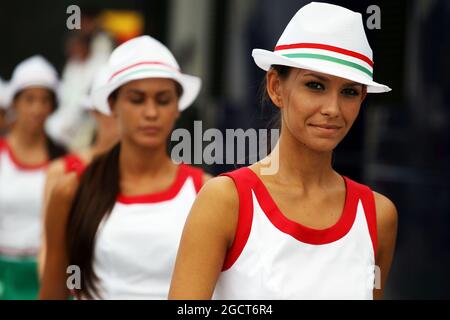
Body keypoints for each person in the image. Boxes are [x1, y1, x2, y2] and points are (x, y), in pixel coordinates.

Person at [169, 2, 398, 300]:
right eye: (315, 85)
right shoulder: (226, 201)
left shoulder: (378, 216)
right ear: (276, 87)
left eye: (349, 92)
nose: (332, 109)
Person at [39, 35, 210, 300]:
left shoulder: (206, 193)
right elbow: (52, 294)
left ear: (178, 107)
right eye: (137, 100)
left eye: (163, 100)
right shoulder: (71, 191)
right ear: (111, 105)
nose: (151, 112)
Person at [37, 67, 119, 277]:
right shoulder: (62, 170)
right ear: (94, 112)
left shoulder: (153, 175)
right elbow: (49, 245)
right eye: (109, 109)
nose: (118, 117)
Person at [0, 56, 66, 300]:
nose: (37, 109)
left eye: (45, 100)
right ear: (14, 103)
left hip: (46, 273)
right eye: (29, 99)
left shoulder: (64, 159)